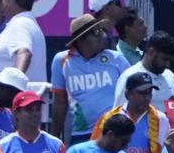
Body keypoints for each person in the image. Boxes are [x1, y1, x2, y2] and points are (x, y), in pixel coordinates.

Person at [51, 13, 130, 142]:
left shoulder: (116, 58)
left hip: (112, 131)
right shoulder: (61, 61)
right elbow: (59, 103)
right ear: (81, 39)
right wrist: (54, 140)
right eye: (96, 32)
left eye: (101, 30)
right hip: (80, 134)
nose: (102, 35)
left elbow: (133, 91)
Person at [93, 73, 170, 153]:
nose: (147, 98)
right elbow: (94, 152)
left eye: (149, 93)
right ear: (128, 94)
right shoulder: (109, 118)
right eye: (142, 93)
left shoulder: (161, 119)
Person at [0, 0, 47, 85]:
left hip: (15, 100)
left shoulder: (20, 24)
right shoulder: (27, 23)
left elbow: (24, 53)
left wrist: (15, 86)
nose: (2, 4)